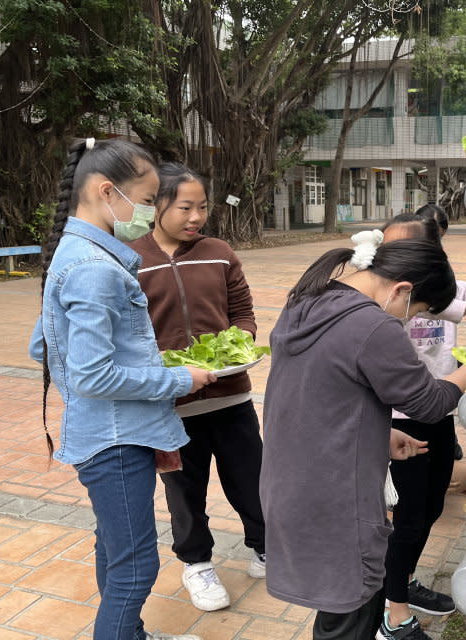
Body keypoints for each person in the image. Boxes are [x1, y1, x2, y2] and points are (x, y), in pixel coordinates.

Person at [29, 138, 213, 640]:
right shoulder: (95, 268)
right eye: (150, 199)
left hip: (102, 432)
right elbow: (92, 375)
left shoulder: (73, 252)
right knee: (135, 566)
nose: (151, 212)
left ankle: (129, 634)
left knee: (114, 549)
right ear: (107, 192)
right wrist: (180, 377)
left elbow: (42, 346)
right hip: (115, 438)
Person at [260, 234, 466, 640]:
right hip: (337, 498)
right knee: (351, 612)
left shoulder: (308, 299)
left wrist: (378, 436)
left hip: (291, 481)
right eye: (417, 311)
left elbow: (318, 398)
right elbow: (429, 403)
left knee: (337, 603)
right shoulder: (372, 324)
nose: (410, 321)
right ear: (402, 290)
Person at [128, 163, 267, 612]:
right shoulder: (129, 259)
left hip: (230, 395)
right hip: (169, 404)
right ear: (156, 205)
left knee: (251, 480)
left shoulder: (219, 252)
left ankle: (266, 548)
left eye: (202, 207)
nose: (196, 217)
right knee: (184, 491)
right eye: (185, 207)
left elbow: (243, 311)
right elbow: (128, 331)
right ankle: (197, 563)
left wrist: (241, 338)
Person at [379, 211, 466, 639]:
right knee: (411, 516)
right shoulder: (383, 299)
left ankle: (403, 584)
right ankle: (392, 609)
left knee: (432, 505)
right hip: (401, 420)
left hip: (439, 408)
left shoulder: (437, 287)